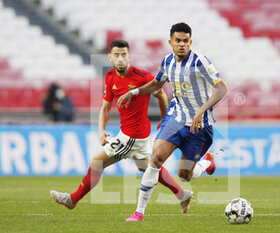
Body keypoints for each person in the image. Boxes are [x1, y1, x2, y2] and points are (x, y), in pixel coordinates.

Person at [50, 39, 193, 213]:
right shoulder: (110, 77)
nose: (120, 59)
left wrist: (164, 120)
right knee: (147, 167)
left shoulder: (142, 77)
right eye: (116, 55)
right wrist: (101, 131)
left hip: (134, 135)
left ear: (129, 56)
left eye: (123, 55)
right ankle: (182, 194)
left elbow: (162, 95)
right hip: (130, 132)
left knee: (97, 163)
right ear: (110, 57)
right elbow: (105, 107)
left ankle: (72, 199)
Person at [117, 23, 228, 221]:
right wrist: (133, 92)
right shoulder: (168, 61)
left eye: (186, 41)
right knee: (156, 158)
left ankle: (206, 162)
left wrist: (201, 111)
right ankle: (139, 212)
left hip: (199, 126)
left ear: (190, 42)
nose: (182, 44)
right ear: (171, 42)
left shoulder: (200, 62)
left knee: (185, 175)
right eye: (178, 41)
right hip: (176, 117)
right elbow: (157, 84)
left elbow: (222, 89)